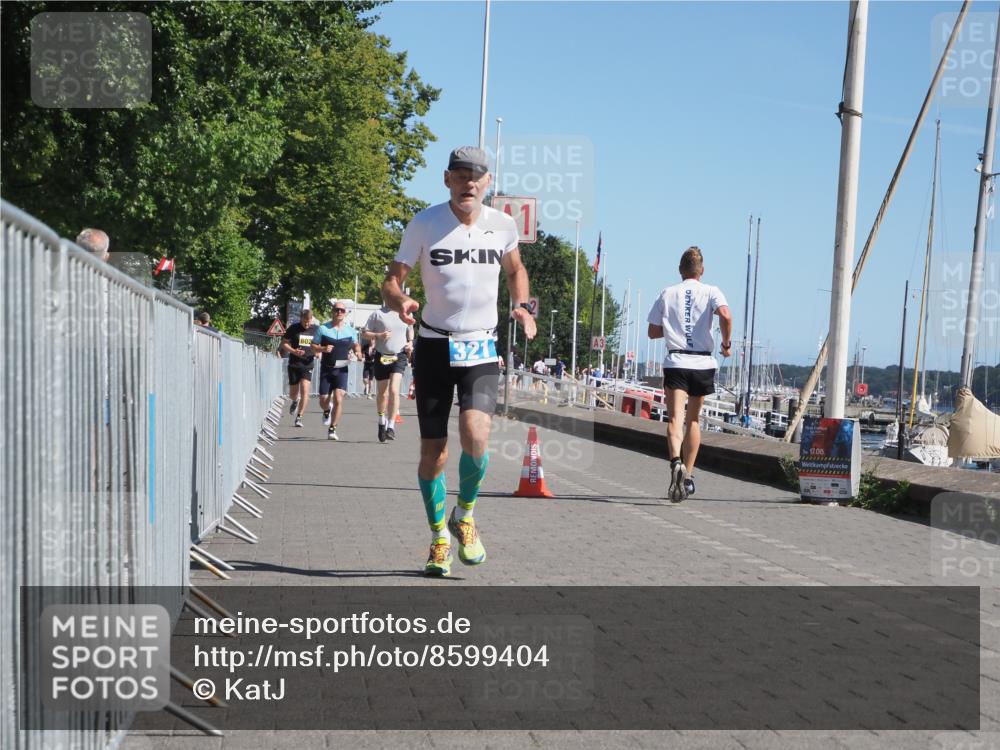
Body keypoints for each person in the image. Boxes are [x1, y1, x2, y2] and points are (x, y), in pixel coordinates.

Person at [382, 145, 536, 577]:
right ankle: (438, 539)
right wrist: (399, 300)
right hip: (434, 345)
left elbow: (515, 270)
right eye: (461, 175)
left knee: (476, 433)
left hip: (481, 346)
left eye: (476, 176)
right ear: (447, 179)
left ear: (488, 182)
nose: (469, 183)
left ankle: (464, 515)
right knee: (434, 452)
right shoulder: (424, 223)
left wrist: (522, 306)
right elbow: (391, 280)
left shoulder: (503, 225)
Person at [647, 246, 732, 502]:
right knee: (693, 420)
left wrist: (674, 327)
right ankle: (689, 476)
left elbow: (652, 332)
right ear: (701, 270)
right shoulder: (711, 291)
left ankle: (675, 462)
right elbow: (726, 316)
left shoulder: (667, 292)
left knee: (675, 419)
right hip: (702, 363)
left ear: (680, 270)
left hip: (677, 361)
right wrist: (726, 344)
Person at [311, 300, 361, 441]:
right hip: (327, 369)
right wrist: (322, 348)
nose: (339, 312)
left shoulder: (350, 330)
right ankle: (327, 409)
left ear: (345, 313)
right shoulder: (323, 329)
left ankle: (332, 429)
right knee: (323, 400)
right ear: (332, 311)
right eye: (336, 310)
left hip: (342, 369)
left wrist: (358, 352)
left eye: (342, 310)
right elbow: (313, 346)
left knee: (339, 398)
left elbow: (356, 344)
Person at [364, 303, 414, 442]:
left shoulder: (406, 313)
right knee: (382, 393)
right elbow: (365, 333)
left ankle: (391, 426)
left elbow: (410, 329)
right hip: (382, 356)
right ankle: (382, 421)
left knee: (394, 390)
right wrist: (378, 335)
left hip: (399, 355)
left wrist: (410, 342)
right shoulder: (378, 314)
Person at [281, 309, 318, 428]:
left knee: (305, 391)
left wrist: (318, 351)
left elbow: (320, 344)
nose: (307, 324)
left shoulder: (316, 330)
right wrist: (294, 351)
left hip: (308, 364)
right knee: (293, 393)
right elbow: (284, 343)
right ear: (301, 318)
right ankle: (295, 401)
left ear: (311, 320)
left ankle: (299, 417)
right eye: (305, 321)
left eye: (309, 321)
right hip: (294, 364)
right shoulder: (294, 328)